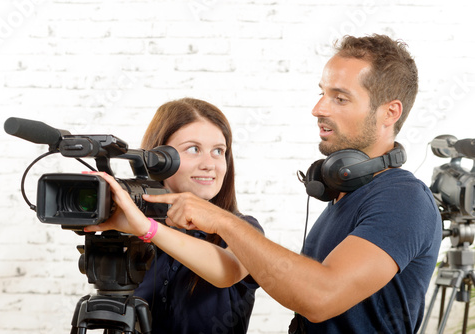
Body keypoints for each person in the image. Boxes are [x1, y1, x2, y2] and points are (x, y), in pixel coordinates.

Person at [142, 34, 443, 333]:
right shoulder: (343, 196)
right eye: (322, 93)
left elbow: (320, 297)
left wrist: (224, 222)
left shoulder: (403, 199)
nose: (319, 109)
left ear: (390, 112)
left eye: (340, 98)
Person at [84, 98, 263, 334]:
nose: (209, 164)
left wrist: (148, 229)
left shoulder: (244, 228)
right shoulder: (127, 232)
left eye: (218, 151)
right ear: (158, 159)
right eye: (193, 149)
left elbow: (226, 272)